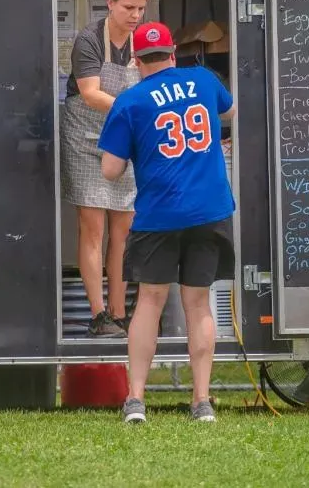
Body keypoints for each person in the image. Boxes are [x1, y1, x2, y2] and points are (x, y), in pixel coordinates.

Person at [97, 22, 236, 424]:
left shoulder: (130, 101)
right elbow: (228, 110)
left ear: (137, 61)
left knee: (150, 302)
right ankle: (202, 401)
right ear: (173, 54)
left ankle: (137, 400)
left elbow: (109, 170)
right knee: (198, 303)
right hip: (210, 210)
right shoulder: (203, 80)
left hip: (159, 215)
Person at [61, 0, 149, 337]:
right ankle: (98, 314)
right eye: (129, 7)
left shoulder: (143, 41)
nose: (135, 15)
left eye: (141, 8)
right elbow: (91, 93)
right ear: (110, 3)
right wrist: (134, 111)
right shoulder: (88, 41)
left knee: (124, 228)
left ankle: (119, 311)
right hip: (85, 137)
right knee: (92, 226)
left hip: (124, 138)